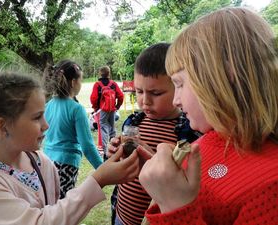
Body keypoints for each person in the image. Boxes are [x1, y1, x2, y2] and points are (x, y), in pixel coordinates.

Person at [139, 7, 278, 224]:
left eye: (180, 84)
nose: (176, 100)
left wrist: (176, 207)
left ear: (225, 76)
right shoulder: (209, 140)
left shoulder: (270, 186)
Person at [0, 72, 143, 225]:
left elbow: (54, 211)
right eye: (37, 117)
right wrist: (98, 179)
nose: (46, 125)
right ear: (2, 127)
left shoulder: (41, 162)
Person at [107, 43, 200, 225]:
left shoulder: (188, 131)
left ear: (178, 87)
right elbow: (120, 164)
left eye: (156, 93)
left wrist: (152, 157)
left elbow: (187, 180)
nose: (145, 101)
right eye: (139, 91)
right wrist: (112, 152)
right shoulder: (134, 122)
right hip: (122, 213)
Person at [42, 60, 103, 199]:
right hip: (66, 165)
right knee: (63, 208)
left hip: (46, 161)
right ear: (73, 82)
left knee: (51, 203)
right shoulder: (77, 109)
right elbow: (87, 147)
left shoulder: (48, 105)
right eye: (80, 79)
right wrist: (104, 169)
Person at [90, 66, 124, 160]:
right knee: (112, 128)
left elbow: (93, 98)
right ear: (109, 73)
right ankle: (115, 148)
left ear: (100, 74)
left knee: (104, 128)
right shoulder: (113, 84)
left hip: (102, 110)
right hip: (112, 109)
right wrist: (117, 106)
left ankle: (105, 153)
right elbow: (121, 96)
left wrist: (96, 108)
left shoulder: (97, 84)